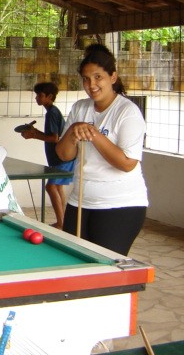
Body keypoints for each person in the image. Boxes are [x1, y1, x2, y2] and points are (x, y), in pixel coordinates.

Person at [55, 43, 147, 255]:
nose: (91, 84)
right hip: (79, 202)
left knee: (104, 271)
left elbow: (127, 164)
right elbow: (63, 154)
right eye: (86, 79)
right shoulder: (80, 108)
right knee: (74, 264)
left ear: (112, 77)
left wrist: (94, 135)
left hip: (119, 206)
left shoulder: (127, 112)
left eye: (98, 77)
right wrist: (73, 131)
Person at [21, 82, 75, 229]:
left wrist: (33, 136)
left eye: (40, 95)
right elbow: (50, 135)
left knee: (51, 187)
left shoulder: (52, 113)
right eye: (36, 95)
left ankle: (61, 224)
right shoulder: (52, 111)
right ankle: (62, 221)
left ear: (49, 96)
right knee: (56, 187)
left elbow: (55, 138)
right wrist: (35, 132)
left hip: (61, 156)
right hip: (59, 157)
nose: (37, 98)